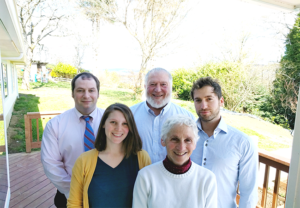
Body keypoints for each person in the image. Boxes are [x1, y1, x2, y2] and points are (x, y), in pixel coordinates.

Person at [190, 77, 258, 208]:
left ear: (221, 101)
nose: (203, 106)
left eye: (209, 99)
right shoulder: (184, 137)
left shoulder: (243, 143)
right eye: (198, 100)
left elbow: (249, 194)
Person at [68, 103, 151, 208]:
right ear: (103, 124)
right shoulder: (84, 160)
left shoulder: (142, 157)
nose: (118, 128)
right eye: (113, 122)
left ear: (130, 127)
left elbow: (149, 200)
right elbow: (74, 204)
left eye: (125, 124)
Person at [41, 72, 105, 208]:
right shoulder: (55, 125)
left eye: (91, 90)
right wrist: (74, 192)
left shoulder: (112, 121)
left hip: (105, 192)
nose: (86, 95)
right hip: (68, 195)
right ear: (72, 93)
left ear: (98, 93)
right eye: (80, 90)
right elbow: (51, 164)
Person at [133, 115, 217, 208]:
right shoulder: (146, 176)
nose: (181, 147)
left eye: (188, 140)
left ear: (195, 144)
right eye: (174, 139)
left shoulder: (207, 179)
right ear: (163, 141)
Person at [131, 67, 195, 163]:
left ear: (171, 87)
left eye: (163, 84)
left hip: (173, 177)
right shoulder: (130, 114)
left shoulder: (187, 117)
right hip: (136, 176)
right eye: (152, 84)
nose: (158, 89)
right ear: (145, 86)